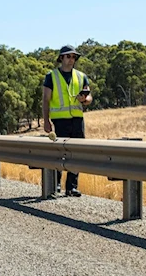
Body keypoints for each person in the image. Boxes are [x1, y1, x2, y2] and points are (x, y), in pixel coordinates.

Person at [42, 45, 92, 197]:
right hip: (60, 120)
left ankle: (72, 187)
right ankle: (56, 185)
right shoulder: (52, 76)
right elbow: (45, 99)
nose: (71, 60)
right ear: (61, 58)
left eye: (73, 57)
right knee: (60, 152)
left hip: (77, 119)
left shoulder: (81, 76)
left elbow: (89, 97)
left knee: (76, 153)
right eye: (68, 56)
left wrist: (86, 99)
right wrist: (46, 121)